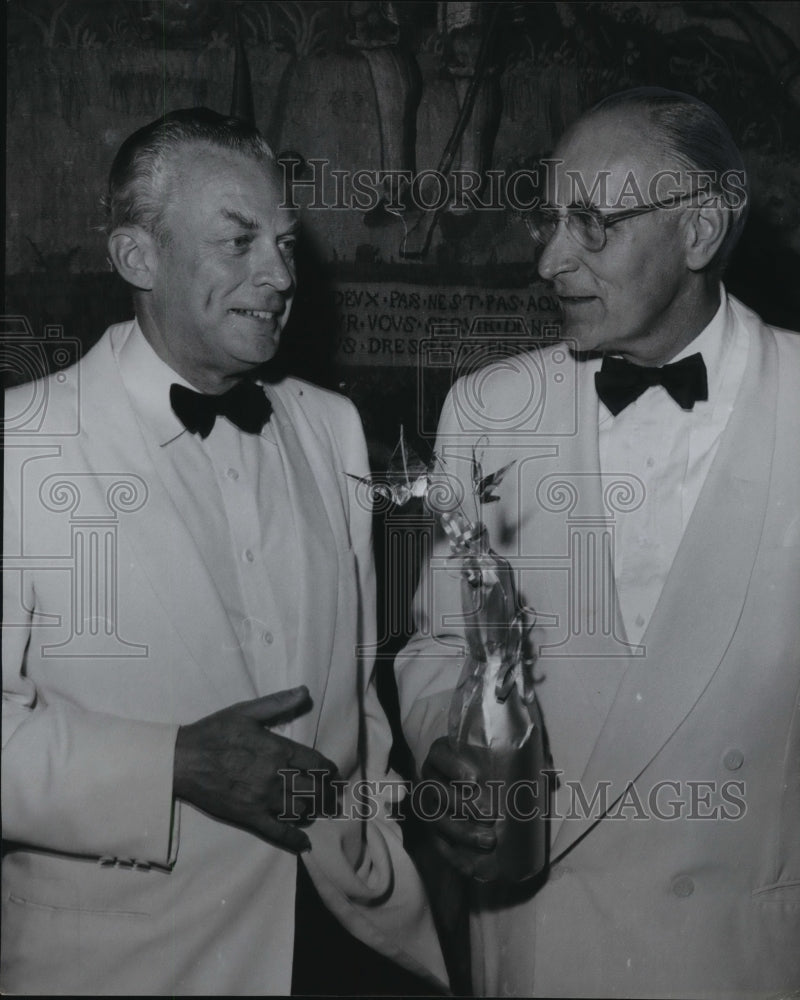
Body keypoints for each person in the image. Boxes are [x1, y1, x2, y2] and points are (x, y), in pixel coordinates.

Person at [2, 108, 446, 995]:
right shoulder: (21, 444)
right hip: (126, 968)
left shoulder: (331, 427)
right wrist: (172, 764)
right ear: (138, 258)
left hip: (345, 939)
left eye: (284, 242)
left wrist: (377, 840)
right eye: (239, 243)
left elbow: (358, 691)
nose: (280, 275)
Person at [395, 88, 800, 997]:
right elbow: (437, 646)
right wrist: (444, 750)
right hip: (542, 948)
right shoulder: (490, 409)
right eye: (549, 219)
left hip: (746, 957)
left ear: (699, 232)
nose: (547, 259)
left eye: (591, 223)